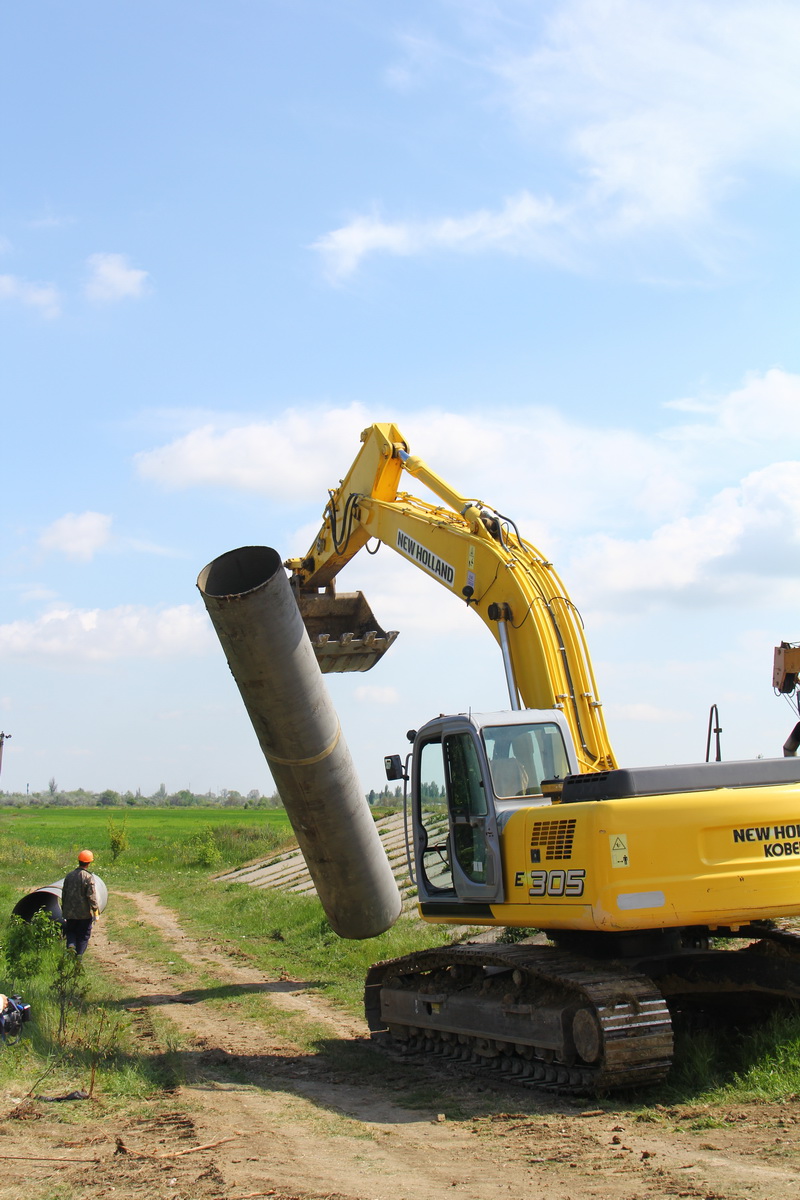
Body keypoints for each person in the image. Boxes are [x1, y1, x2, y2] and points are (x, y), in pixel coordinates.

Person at [61, 850, 100, 955]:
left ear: (79, 861)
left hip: (69, 912)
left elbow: (64, 893)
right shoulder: (88, 877)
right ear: (89, 863)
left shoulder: (69, 876)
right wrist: (95, 910)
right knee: (83, 935)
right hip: (84, 914)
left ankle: (71, 945)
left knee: (71, 931)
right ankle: (79, 956)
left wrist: (63, 909)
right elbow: (91, 895)